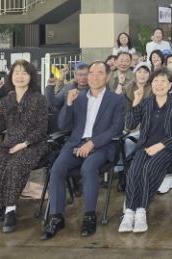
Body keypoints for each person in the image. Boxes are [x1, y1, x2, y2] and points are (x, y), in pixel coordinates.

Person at [41, 61, 125, 240]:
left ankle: (89, 216)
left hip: (102, 146)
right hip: (75, 144)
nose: (94, 77)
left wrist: (92, 143)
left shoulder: (116, 100)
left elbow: (116, 128)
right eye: (91, 73)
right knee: (57, 169)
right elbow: (63, 125)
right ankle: (56, 217)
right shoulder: (77, 97)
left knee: (88, 167)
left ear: (108, 76)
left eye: (99, 73)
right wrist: (68, 104)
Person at [118, 68, 172, 233]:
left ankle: (141, 210)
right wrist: (136, 101)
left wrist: (161, 145)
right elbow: (130, 125)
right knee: (134, 170)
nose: (159, 84)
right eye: (156, 81)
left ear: (170, 85)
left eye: (163, 81)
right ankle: (129, 212)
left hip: (169, 148)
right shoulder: (146, 103)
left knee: (148, 169)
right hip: (145, 146)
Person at [0, 60, 48, 233]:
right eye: (16, 72)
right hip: (9, 144)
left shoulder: (39, 99)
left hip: (33, 144)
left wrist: (24, 144)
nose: (20, 76)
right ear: (11, 76)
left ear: (31, 76)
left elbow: (42, 129)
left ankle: (10, 209)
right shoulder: (6, 100)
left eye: (24, 73)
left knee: (14, 165)